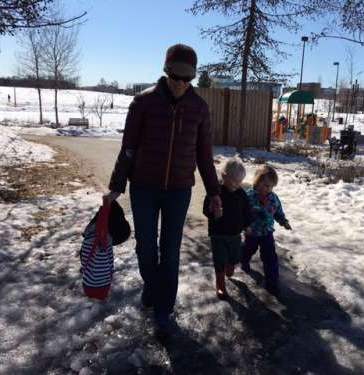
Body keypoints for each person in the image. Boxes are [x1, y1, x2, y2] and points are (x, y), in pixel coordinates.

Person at [105, 44, 221, 337]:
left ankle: (163, 310)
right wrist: (116, 186)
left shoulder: (199, 108)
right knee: (146, 247)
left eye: (188, 77)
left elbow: (204, 155)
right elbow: (128, 148)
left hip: (179, 192)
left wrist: (214, 191)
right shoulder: (143, 103)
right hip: (143, 188)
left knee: (170, 252)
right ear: (166, 70)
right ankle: (152, 285)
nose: (181, 82)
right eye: (176, 75)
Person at [203, 158, 251, 300]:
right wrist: (212, 210)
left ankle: (231, 264)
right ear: (224, 176)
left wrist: (248, 225)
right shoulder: (215, 192)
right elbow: (206, 209)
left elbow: (247, 211)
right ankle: (220, 284)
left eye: (240, 181)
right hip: (218, 234)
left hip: (235, 234)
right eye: (234, 180)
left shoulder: (241, 193)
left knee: (235, 256)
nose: (237, 184)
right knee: (219, 259)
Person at [241, 165, 291, 296]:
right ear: (257, 182)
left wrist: (284, 221)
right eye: (265, 185)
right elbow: (242, 213)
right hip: (252, 232)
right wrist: (244, 226)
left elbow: (278, 212)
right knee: (248, 250)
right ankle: (244, 260)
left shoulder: (274, 198)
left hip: (267, 233)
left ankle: (272, 281)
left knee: (270, 257)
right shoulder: (248, 197)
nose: (268, 189)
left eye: (271, 186)